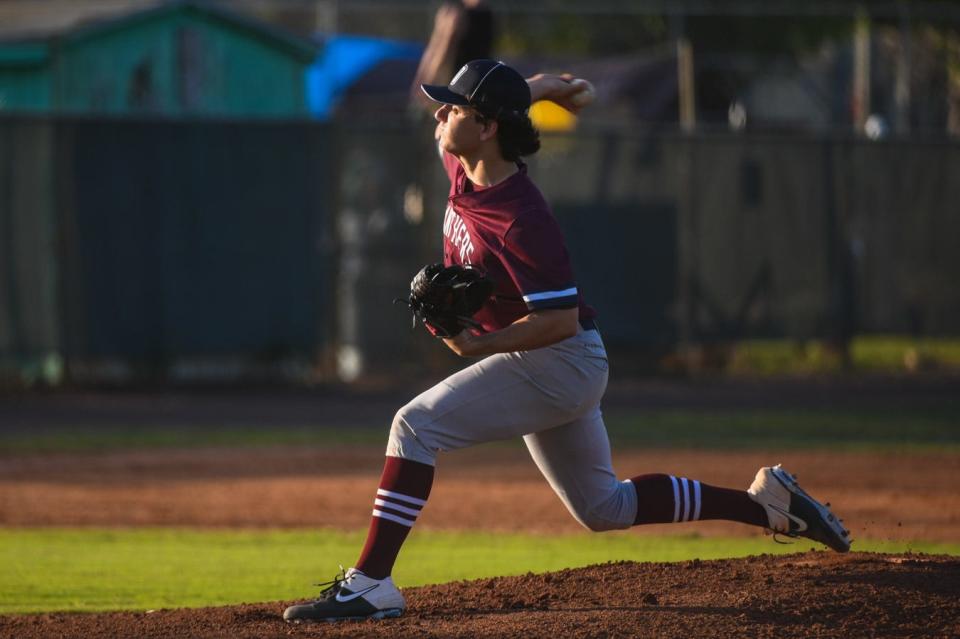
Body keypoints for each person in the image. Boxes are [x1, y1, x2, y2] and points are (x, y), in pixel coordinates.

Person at [282, 59, 851, 624]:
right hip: (556, 362)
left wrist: (479, 344)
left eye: (453, 108)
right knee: (604, 508)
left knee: (414, 426)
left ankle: (371, 583)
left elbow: (557, 319)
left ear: (486, 128)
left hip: (557, 360)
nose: (440, 113)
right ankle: (767, 506)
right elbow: (499, 107)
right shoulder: (466, 163)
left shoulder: (522, 219)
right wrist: (543, 87)